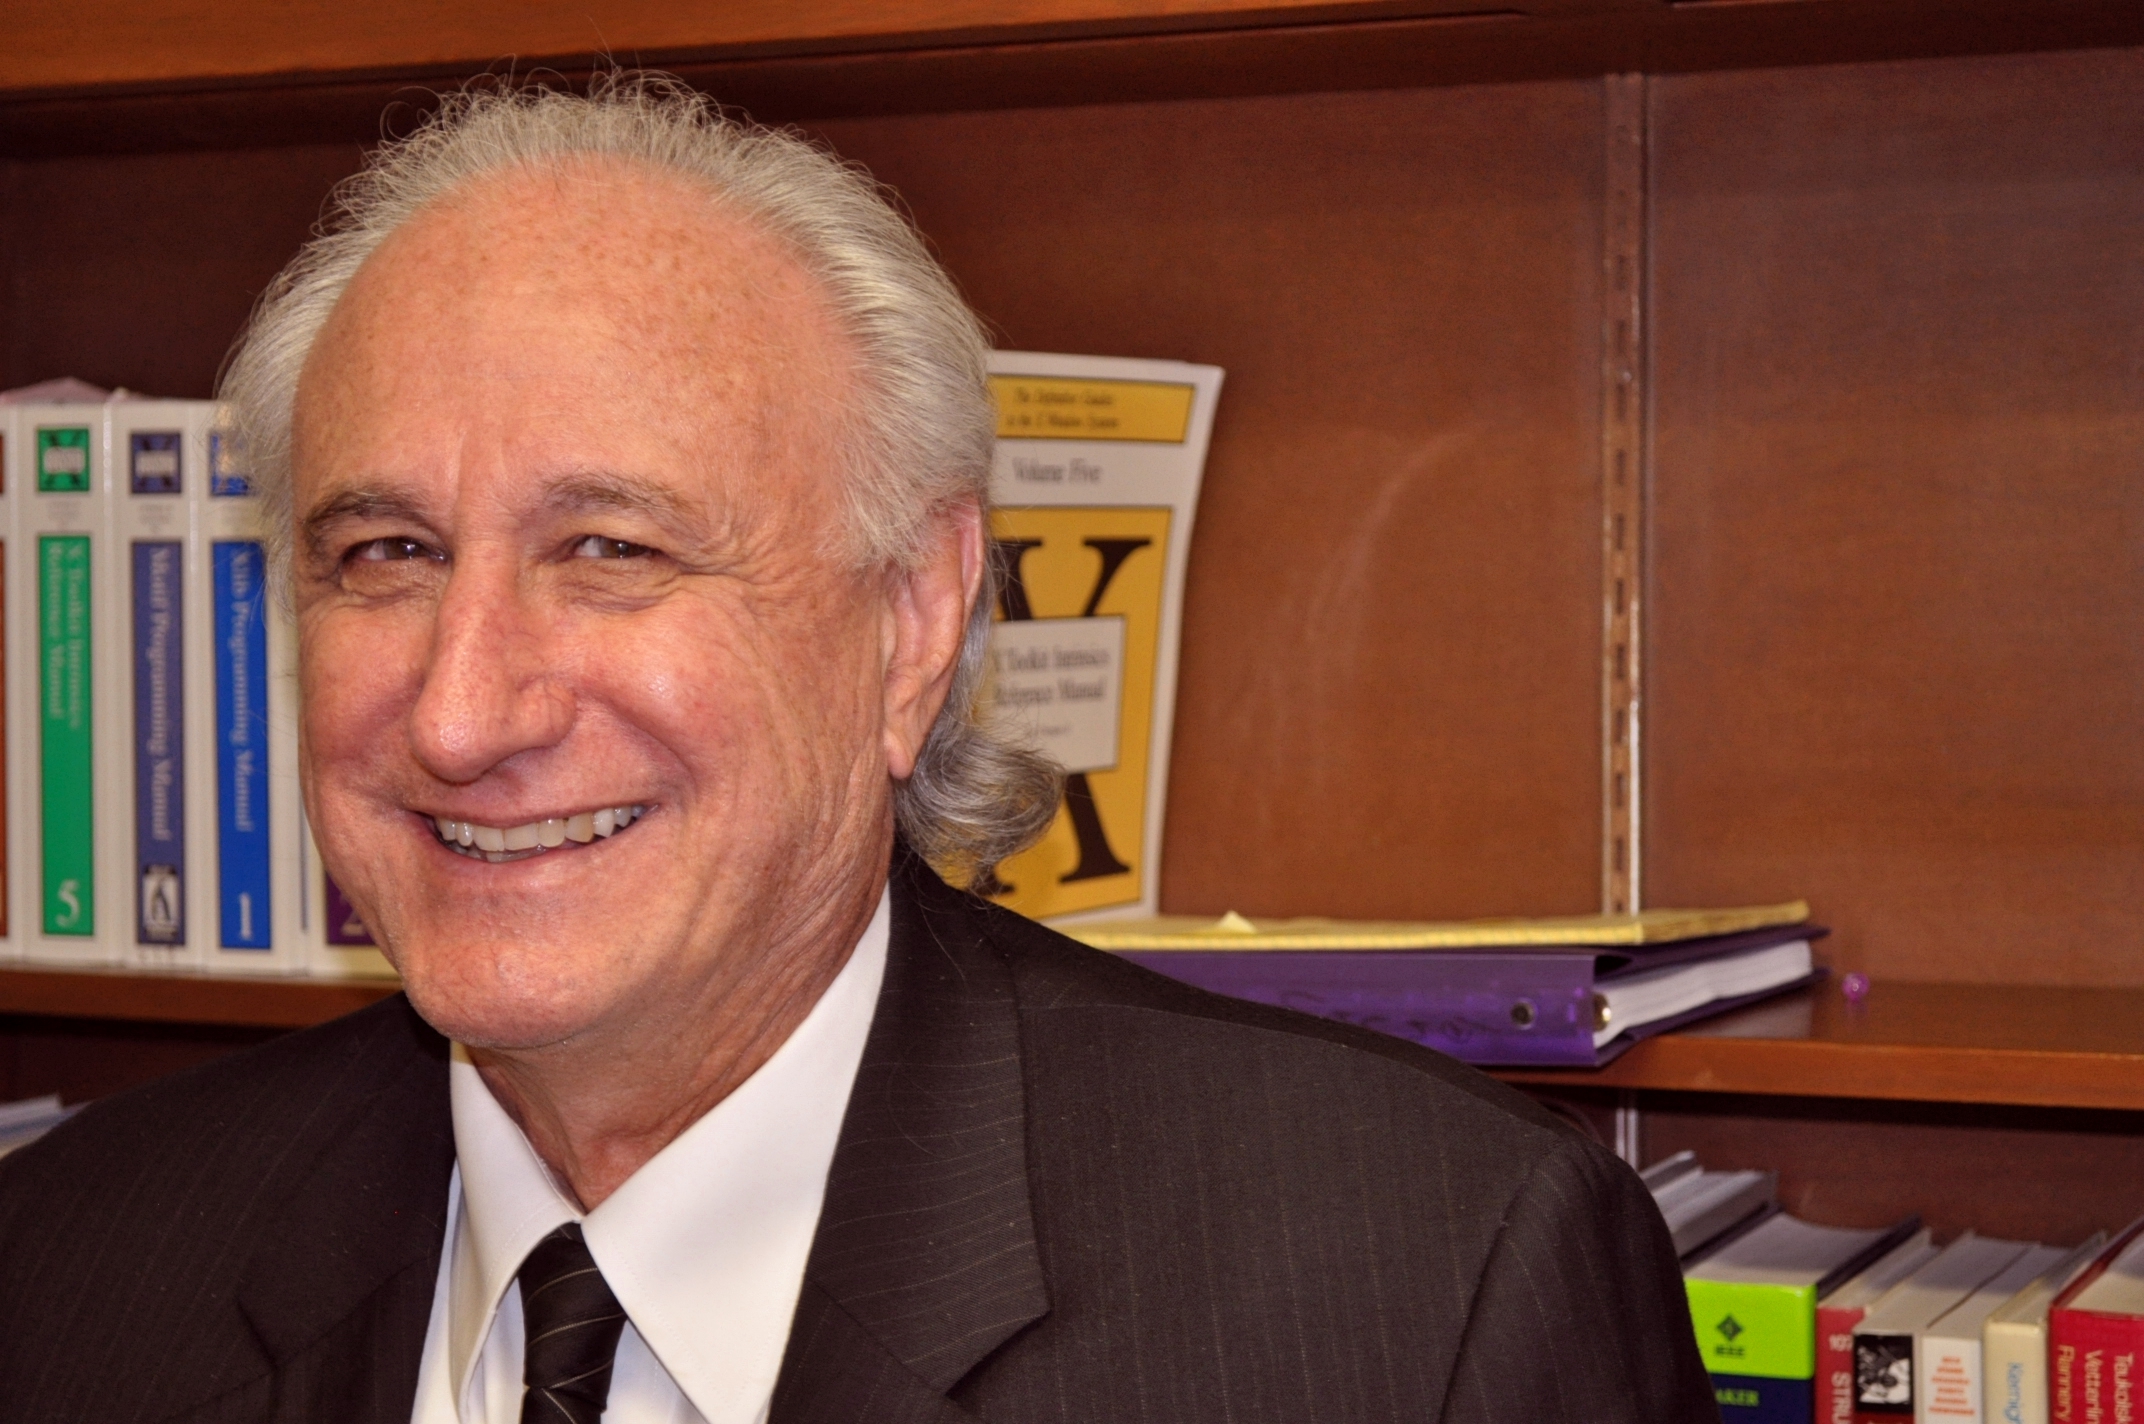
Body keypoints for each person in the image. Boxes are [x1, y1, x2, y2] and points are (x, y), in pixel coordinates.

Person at [0, 76, 1718, 1424]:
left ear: (912, 621)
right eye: (385, 554)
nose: (460, 714)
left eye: (612, 549)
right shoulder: (68, 1267)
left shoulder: (1426, 1297)